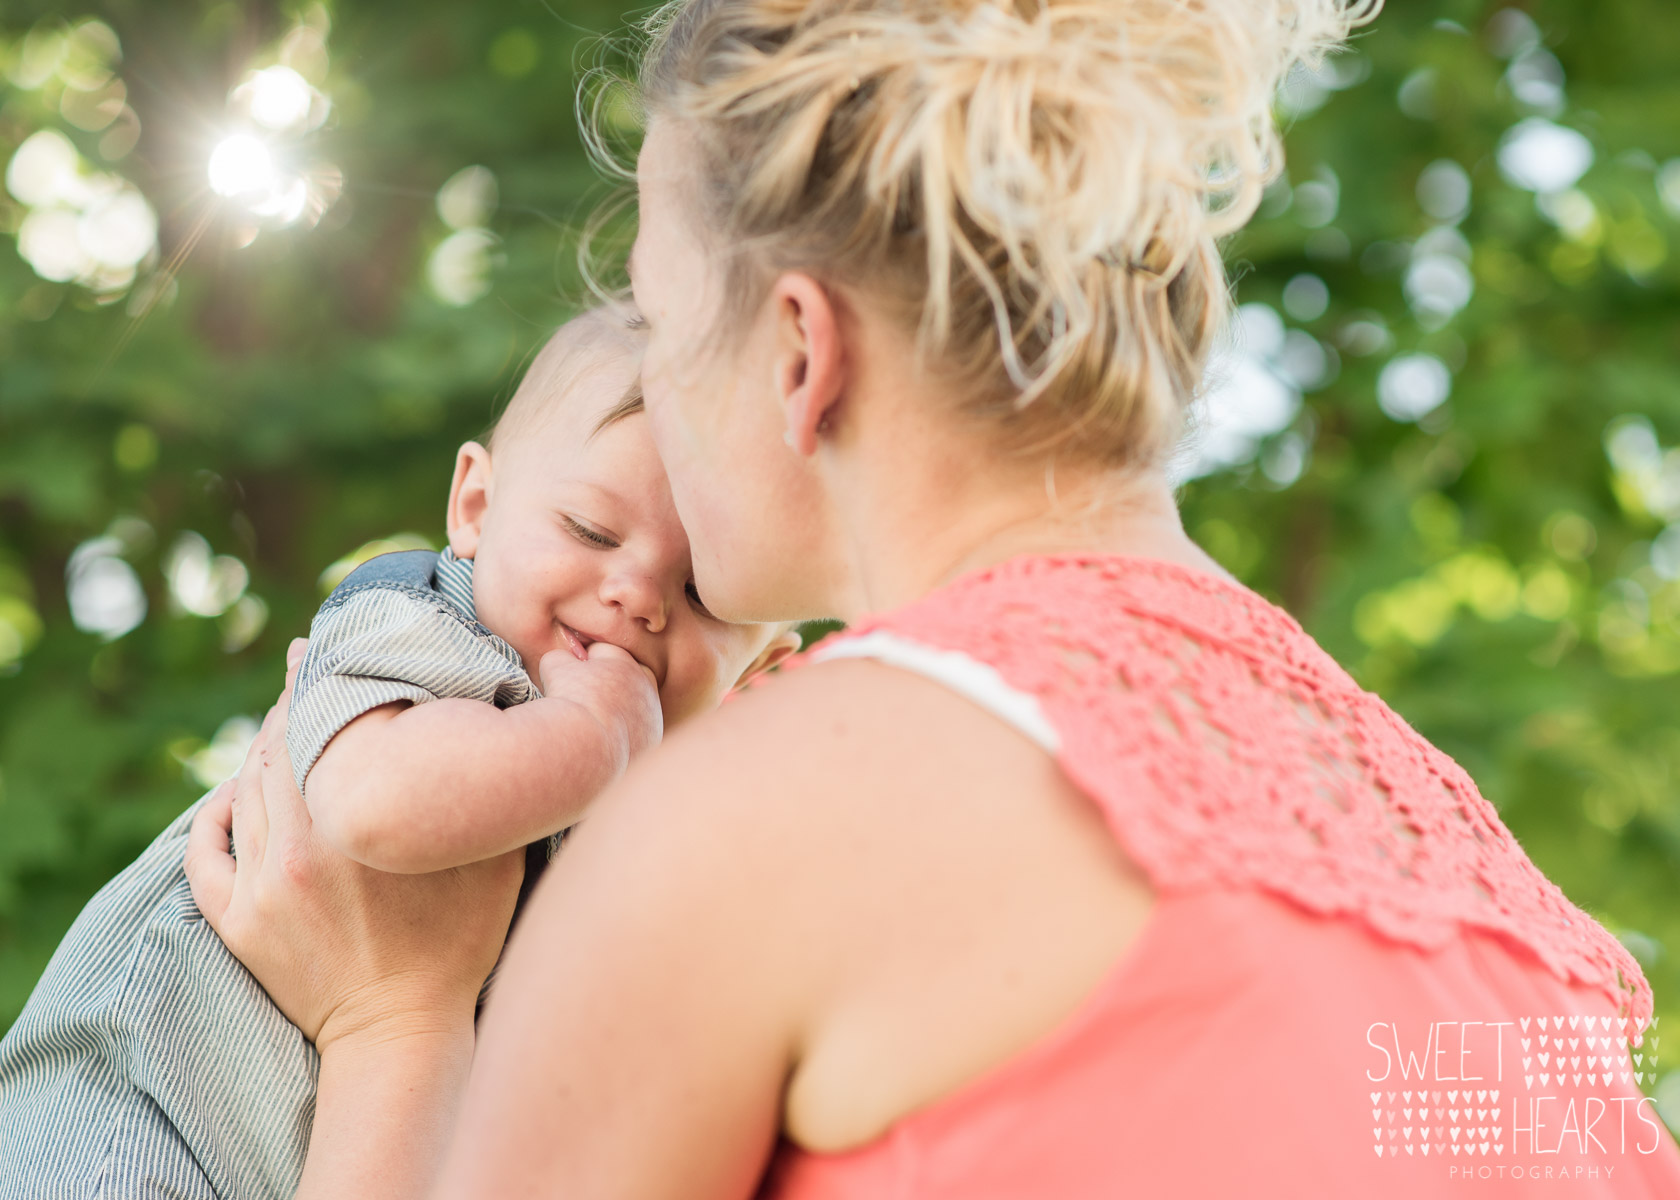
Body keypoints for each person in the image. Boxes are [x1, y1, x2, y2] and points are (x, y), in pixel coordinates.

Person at [186, 0, 1680, 1196]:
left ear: (796, 356)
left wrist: (392, 1023)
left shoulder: (747, 829)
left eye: (660, 319)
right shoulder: (1467, 870)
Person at [0, 309, 797, 1200]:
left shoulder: (661, 833)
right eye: (590, 530)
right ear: (476, 507)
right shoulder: (418, 621)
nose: (635, 596)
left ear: (761, 661)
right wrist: (596, 733)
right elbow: (375, 805)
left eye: (702, 592)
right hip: (143, 1096)